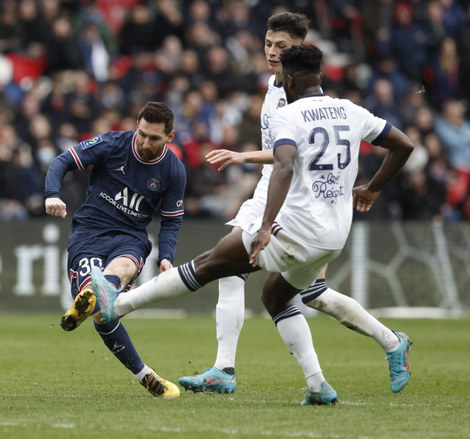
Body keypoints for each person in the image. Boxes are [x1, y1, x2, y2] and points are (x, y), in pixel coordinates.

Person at [91, 44, 414, 405]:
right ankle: (322, 384)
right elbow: (404, 145)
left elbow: (285, 164)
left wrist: (265, 226)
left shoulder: (288, 115)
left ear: (288, 80)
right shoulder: (351, 110)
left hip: (295, 233)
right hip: (335, 237)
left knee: (209, 264)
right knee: (275, 297)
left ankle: (116, 306)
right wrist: (373, 188)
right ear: (320, 77)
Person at [180, 11, 414, 396]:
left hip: (299, 202)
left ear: (298, 52)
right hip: (280, 195)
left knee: (294, 289)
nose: (273, 52)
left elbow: (290, 156)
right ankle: (318, 375)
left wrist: (244, 157)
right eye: (269, 43)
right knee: (284, 292)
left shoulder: (300, 95)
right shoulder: (274, 89)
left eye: (282, 47)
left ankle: (230, 370)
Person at [44, 101, 187, 398]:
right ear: (136, 126)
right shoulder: (112, 144)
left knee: (118, 272)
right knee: (103, 315)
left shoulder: (174, 171)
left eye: (154, 138)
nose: (146, 143)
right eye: (142, 134)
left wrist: (166, 259)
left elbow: (171, 222)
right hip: (88, 234)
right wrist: (52, 195)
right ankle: (145, 375)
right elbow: (62, 161)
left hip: (130, 237)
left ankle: (99, 292)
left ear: (170, 137)